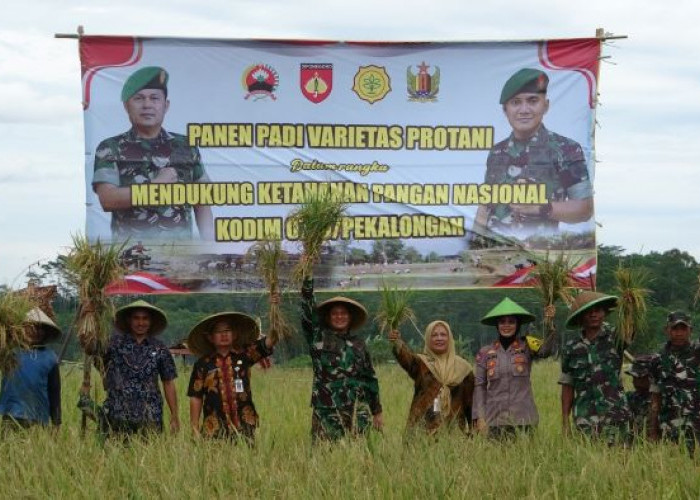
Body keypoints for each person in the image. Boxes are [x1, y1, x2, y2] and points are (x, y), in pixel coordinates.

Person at [92, 66, 214, 240]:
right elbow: (108, 199)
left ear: (166, 105)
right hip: (132, 257)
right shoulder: (110, 147)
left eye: (154, 98)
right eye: (139, 98)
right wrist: (154, 187)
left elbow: (202, 202)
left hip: (181, 258)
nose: (147, 105)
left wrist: (210, 247)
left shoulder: (186, 146)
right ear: (127, 106)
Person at [472, 68, 593, 241]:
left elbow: (584, 209)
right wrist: (471, 246)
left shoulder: (566, 149)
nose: (524, 110)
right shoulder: (497, 152)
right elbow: (484, 207)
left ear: (546, 105)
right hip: (492, 253)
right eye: (515, 102)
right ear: (505, 110)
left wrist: (540, 207)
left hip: (540, 254)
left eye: (532, 101)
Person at [300, 270, 383, 442]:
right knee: (324, 456)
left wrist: (377, 411)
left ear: (350, 317)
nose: (339, 317)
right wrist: (307, 277)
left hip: (357, 411)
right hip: (327, 410)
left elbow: (370, 379)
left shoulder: (359, 344)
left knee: (359, 457)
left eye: (343, 313)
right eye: (335, 313)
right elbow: (309, 314)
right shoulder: (319, 338)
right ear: (329, 318)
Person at [187, 306, 279, 442]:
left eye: (227, 330)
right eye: (218, 331)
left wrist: (274, 308)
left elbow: (271, 340)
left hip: (245, 425)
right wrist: (194, 428)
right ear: (210, 338)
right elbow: (196, 397)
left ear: (235, 334)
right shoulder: (202, 364)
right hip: (214, 429)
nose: (224, 334)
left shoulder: (245, 355)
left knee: (246, 460)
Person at [473, 297, 554, 438]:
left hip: (524, 420)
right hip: (494, 421)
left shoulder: (527, 345)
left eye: (511, 322)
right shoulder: (485, 352)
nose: (506, 325)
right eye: (502, 322)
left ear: (518, 324)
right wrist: (480, 417)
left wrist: (549, 323)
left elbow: (546, 351)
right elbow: (480, 386)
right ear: (497, 325)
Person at [559, 291, 633, 444]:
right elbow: (568, 386)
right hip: (585, 419)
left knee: (621, 463)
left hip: (615, 415)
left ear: (604, 313)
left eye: (598, 310)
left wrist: (630, 306)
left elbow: (631, 329)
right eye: (588, 311)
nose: (593, 315)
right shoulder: (571, 348)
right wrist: (565, 422)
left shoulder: (616, 337)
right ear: (581, 316)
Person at [100, 300, 179, 437]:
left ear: (151, 321)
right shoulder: (113, 345)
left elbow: (168, 382)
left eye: (145, 318)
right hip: (118, 414)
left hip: (150, 415)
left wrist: (174, 415)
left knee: (151, 456)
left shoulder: (160, 348)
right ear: (129, 320)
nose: (140, 323)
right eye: (136, 318)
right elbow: (94, 354)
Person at [388, 321, 474, 435]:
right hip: (421, 431)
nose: (439, 338)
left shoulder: (463, 368)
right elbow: (407, 359)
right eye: (434, 335)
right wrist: (397, 342)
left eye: (443, 335)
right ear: (428, 338)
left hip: (454, 432)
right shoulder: (422, 363)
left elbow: (471, 404)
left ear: (450, 338)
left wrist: (474, 429)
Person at [0, 308, 61, 430]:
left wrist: (56, 422)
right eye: (31, 327)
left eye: (39, 328)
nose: (35, 331)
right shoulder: (9, 352)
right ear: (22, 329)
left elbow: (54, 392)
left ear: (45, 332)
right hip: (11, 414)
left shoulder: (50, 358)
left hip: (37, 419)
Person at [648, 311, 700, 454]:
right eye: (674, 329)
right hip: (670, 425)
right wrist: (652, 431)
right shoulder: (658, 359)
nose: (679, 333)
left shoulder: (697, 353)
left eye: (683, 329)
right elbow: (655, 396)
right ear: (667, 330)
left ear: (691, 330)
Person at [624, 355, 653, 439]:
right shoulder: (631, 398)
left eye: (641, 378)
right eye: (634, 378)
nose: (636, 383)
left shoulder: (666, 401)